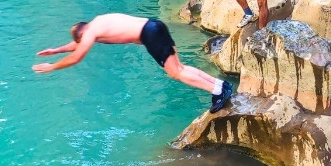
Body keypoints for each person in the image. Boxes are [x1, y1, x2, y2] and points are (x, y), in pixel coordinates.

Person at [32, 13, 234, 113]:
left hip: (149, 35)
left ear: (83, 34)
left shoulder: (90, 32)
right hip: (154, 25)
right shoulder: (97, 23)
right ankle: (220, 86)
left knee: (175, 72)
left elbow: (77, 56)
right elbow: (76, 45)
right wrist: (56, 50)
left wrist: (52, 66)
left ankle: (218, 91)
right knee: (179, 68)